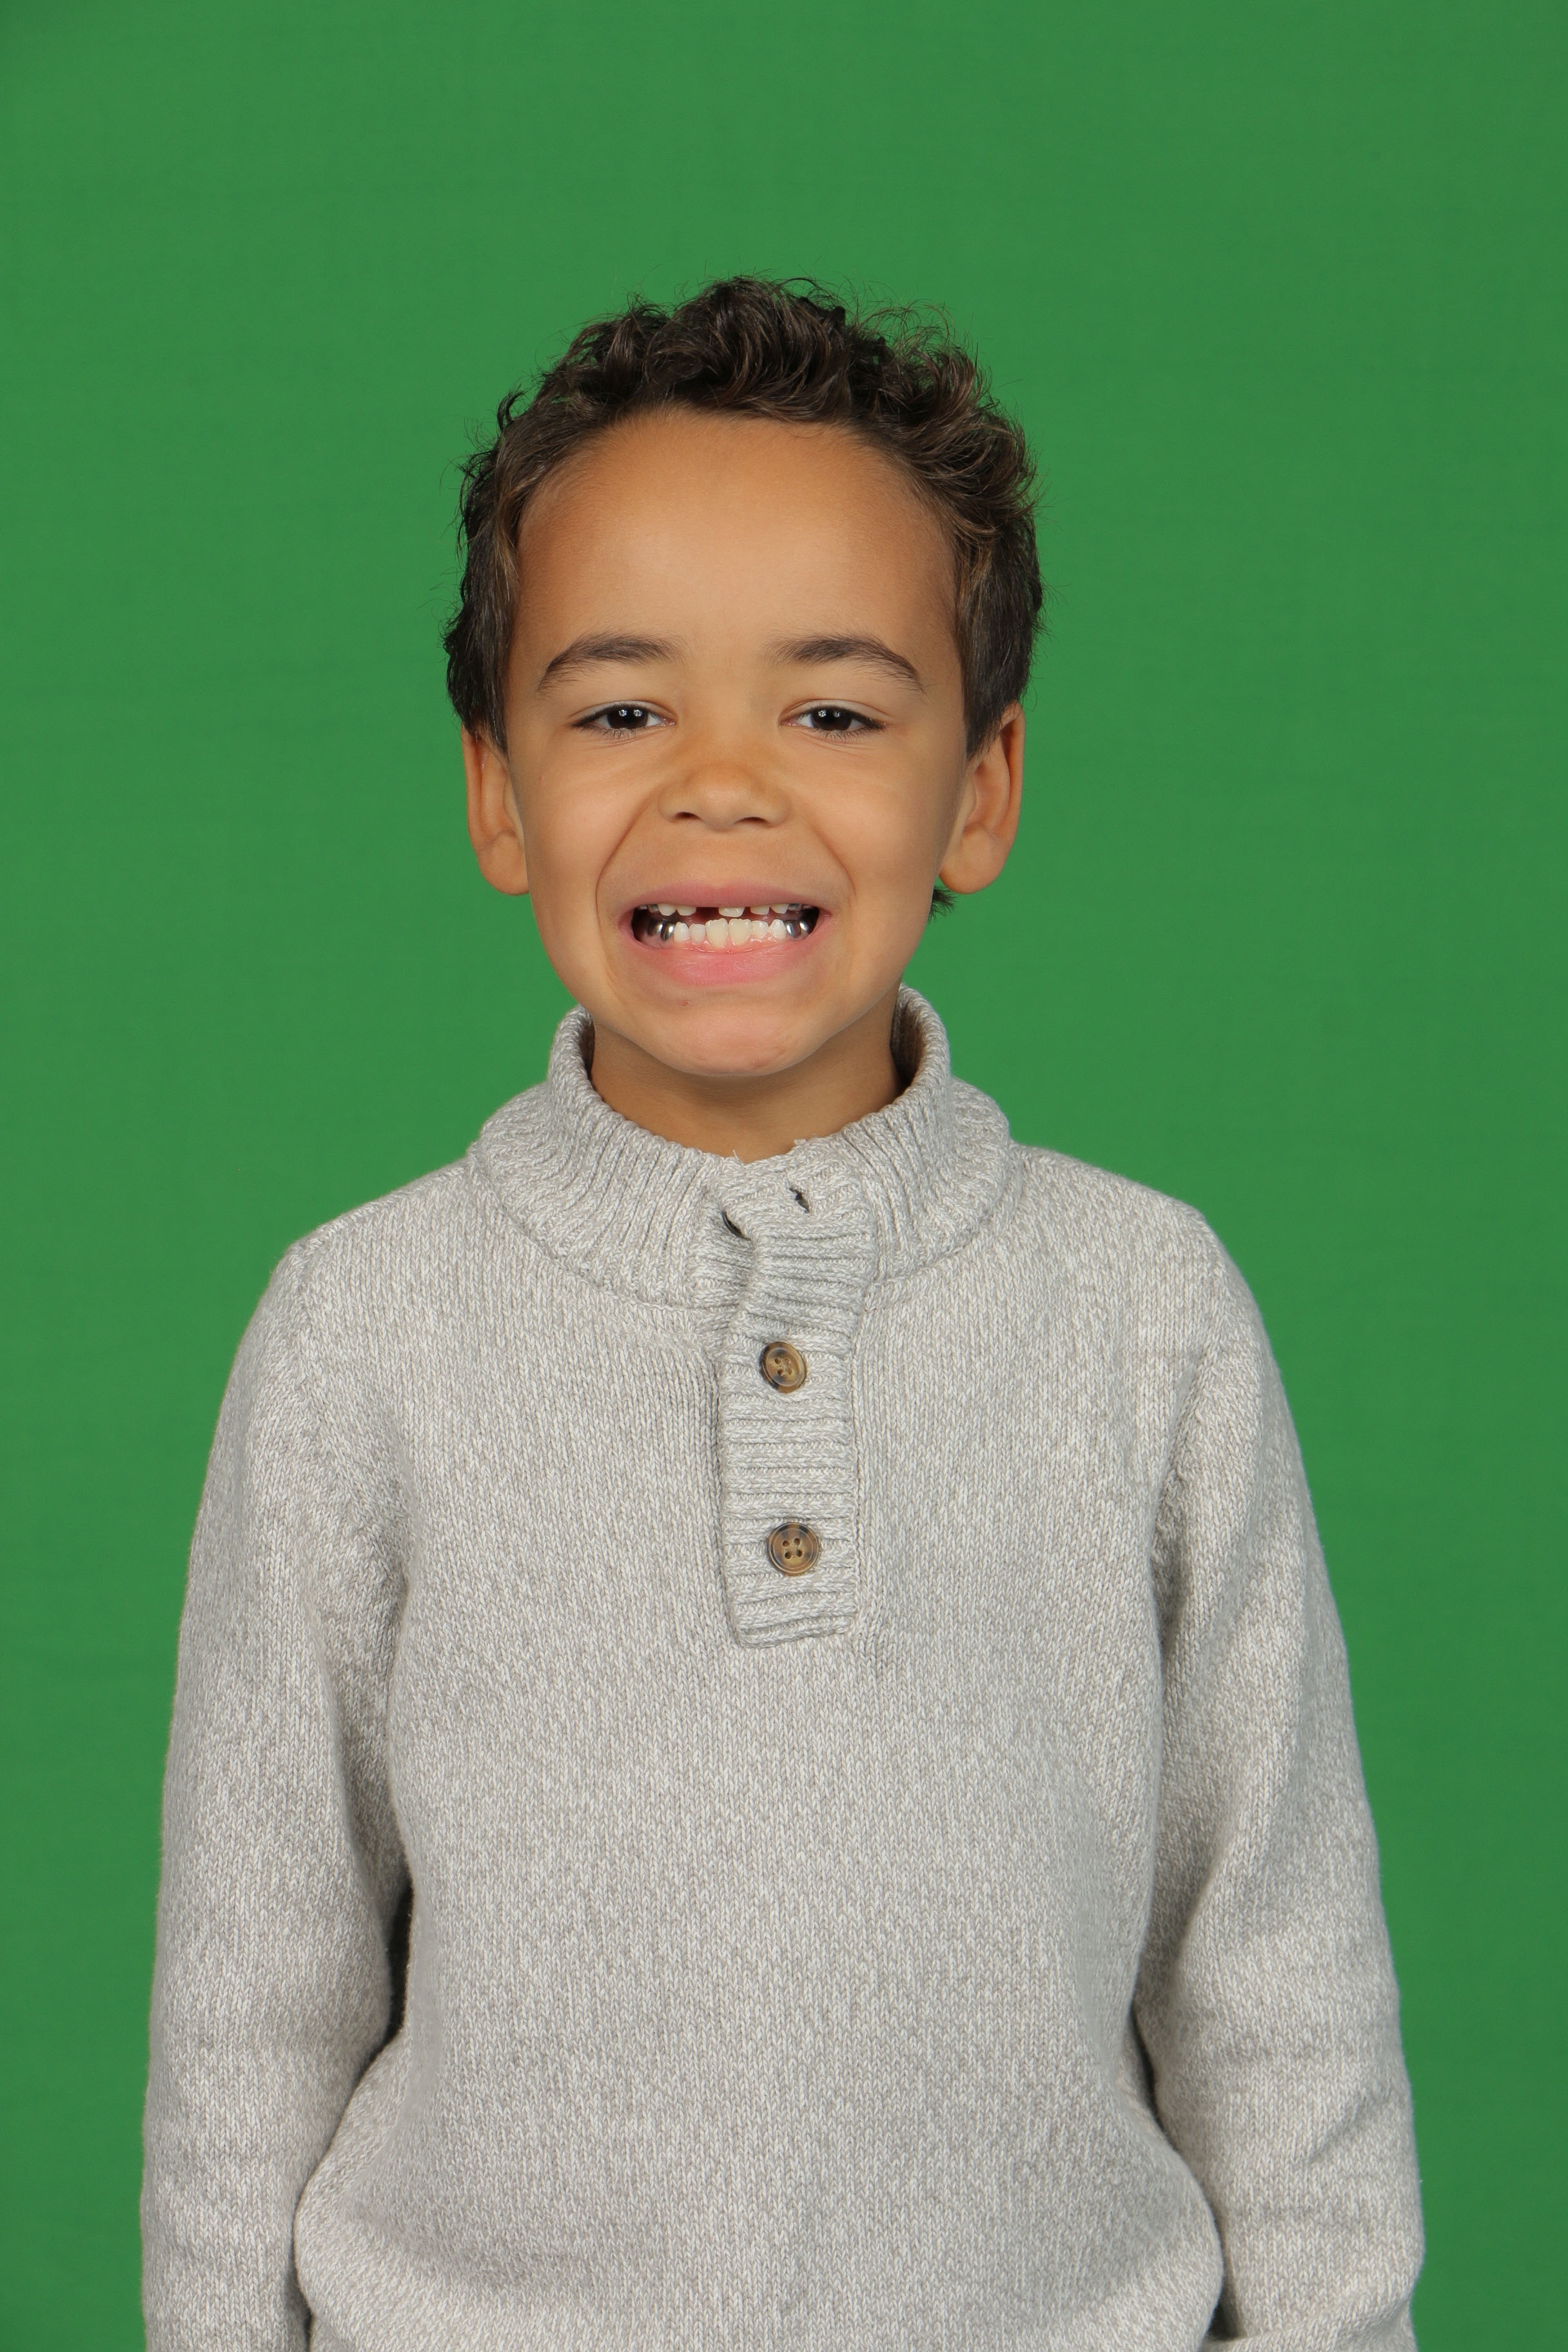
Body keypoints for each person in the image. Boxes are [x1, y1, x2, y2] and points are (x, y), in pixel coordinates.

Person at [142, 277, 1424, 2349]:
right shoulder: (360, 1330)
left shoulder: (1144, 1309)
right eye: (618, 711)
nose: (722, 786)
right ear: (496, 793)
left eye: (832, 712)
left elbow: (1275, 1979)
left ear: (981, 787)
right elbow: (252, 2009)